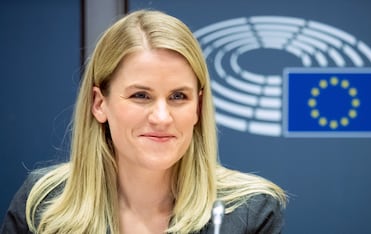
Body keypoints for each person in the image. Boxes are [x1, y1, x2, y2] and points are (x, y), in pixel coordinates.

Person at [1, 9, 287, 234]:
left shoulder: (251, 211)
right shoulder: (41, 204)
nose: (162, 117)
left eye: (178, 96)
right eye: (141, 95)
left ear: (198, 106)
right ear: (99, 104)